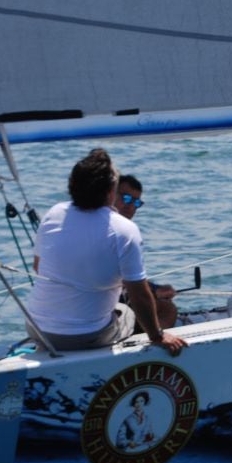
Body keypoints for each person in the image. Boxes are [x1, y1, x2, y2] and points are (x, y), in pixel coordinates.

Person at [26, 148, 187, 355]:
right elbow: (139, 295)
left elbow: (38, 267)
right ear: (110, 192)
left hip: (36, 328)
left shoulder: (53, 213)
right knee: (131, 312)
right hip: (86, 336)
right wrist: (158, 336)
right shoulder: (124, 230)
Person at [114, 174, 179, 329]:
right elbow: (127, 285)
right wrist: (155, 292)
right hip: (103, 311)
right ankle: (154, 344)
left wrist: (155, 288)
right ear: (111, 194)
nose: (131, 206)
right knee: (167, 309)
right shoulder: (122, 232)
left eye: (137, 202)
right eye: (127, 199)